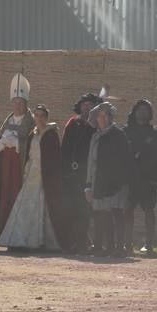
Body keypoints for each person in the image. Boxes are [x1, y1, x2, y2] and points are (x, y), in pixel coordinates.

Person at [0, 103, 60, 251]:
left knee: (42, 206)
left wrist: (50, 175)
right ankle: (19, 239)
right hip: (31, 172)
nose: (39, 118)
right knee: (25, 205)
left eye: (42, 116)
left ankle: (40, 240)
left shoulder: (51, 134)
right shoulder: (33, 133)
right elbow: (28, 154)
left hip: (45, 174)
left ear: (46, 117)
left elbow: (55, 157)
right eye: (36, 115)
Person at [84, 101, 131, 256]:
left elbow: (124, 159)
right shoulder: (95, 136)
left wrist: (119, 179)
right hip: (99, 180)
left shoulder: (118, 134)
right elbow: (91, 161)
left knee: (116, 212)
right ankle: (100, 246)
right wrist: (88, 184)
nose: (102, 119)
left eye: (105, 116)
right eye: (100, 116)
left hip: (116, 181)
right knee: (100, 214)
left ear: (110, 118)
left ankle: (119, 247)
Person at [58, 92, 101, 254]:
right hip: (72, 175)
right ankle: (71, 242)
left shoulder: (97, 125)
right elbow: (66, 147)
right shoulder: (72, 123)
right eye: (84, 104)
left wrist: (91, 125)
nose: (87, 107)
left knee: (85, 210)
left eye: (90, 105)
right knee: (71, 209)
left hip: (89, 175)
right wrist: (65, 170)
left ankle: (84, 242)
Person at [0, 76, 34, 239]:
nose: (18, 105)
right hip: (5, 165)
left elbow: (31, 141)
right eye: (15, 102)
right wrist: (2, 143)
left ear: (26, 104)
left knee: (17, 196)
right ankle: (3, 232)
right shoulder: (8, 119)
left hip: (20, 165)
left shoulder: (30, 122)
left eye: (21, 103)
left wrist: (16, 142)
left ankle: (18, 234)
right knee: (5, 196)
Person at [124, 100, 157, 255]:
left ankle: (149, 245)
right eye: (139, 109)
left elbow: (155, 154)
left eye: (146, 110)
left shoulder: (155, 134)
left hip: (148, 178)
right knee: (128, 210)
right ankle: (127, 244)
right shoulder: (125, 131)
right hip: (130, 177)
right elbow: (125, 153)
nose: (142, 112)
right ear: (134, 111)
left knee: (149, 210)